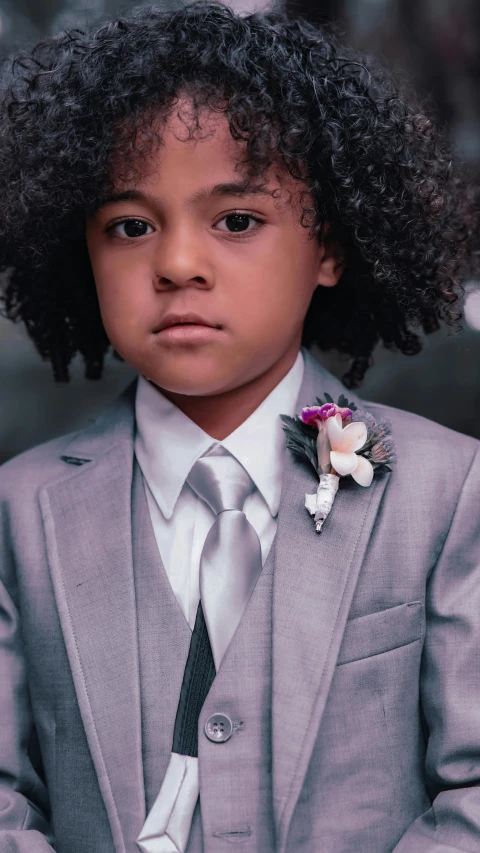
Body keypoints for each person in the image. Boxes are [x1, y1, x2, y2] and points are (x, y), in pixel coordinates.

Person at [0, 3, 479, 852]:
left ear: (329, 246)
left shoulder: (450, 490)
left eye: (236, 220)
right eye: (131, 226)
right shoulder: (17, 509)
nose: (178, 262)